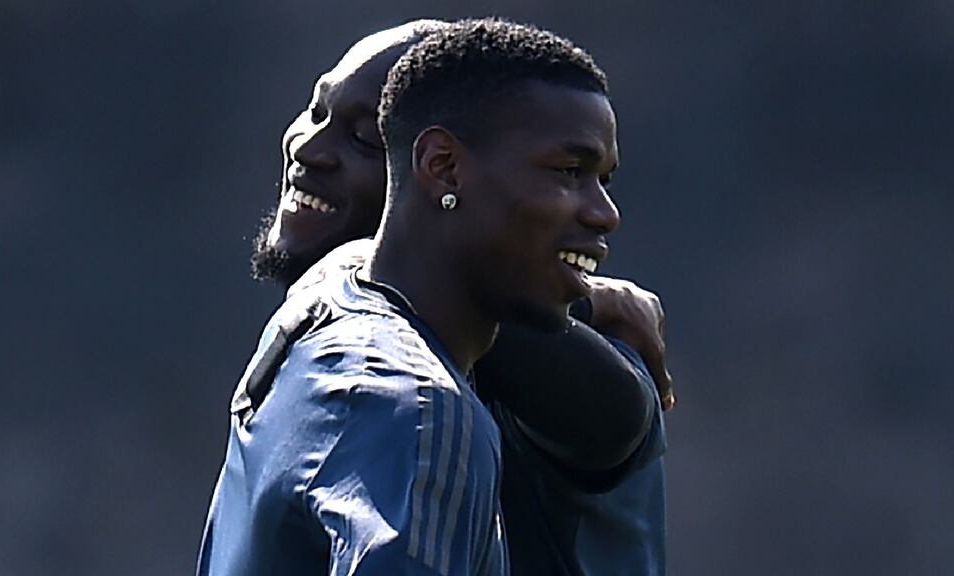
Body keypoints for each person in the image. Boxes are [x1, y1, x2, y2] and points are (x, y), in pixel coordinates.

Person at [199, 18, 669, 576]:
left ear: (435, 168)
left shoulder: (417, 392)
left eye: (365, 139)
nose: (307, 147)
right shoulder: (341, 333)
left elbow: (619, 419)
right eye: (317, 112)